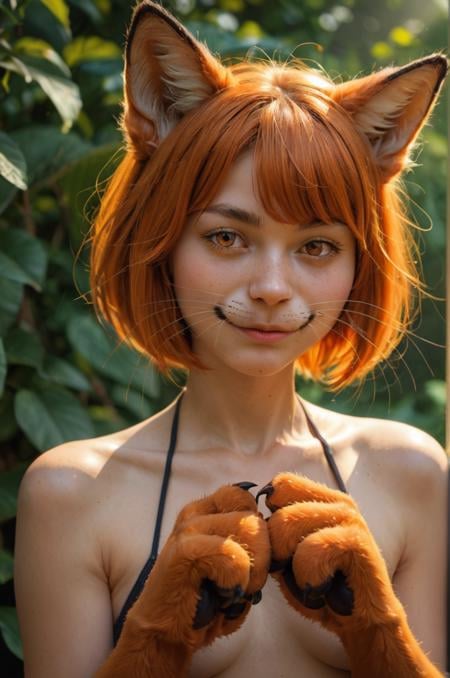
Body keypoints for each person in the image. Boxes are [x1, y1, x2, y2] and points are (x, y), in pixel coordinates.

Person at [14, 1, 448, 676]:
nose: (273, 286)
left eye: (316, 245)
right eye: (227, 236)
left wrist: (380, 633)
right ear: (165, 239)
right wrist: (152, 639)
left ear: (360, 258)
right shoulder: (71, 494)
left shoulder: (414, 474)